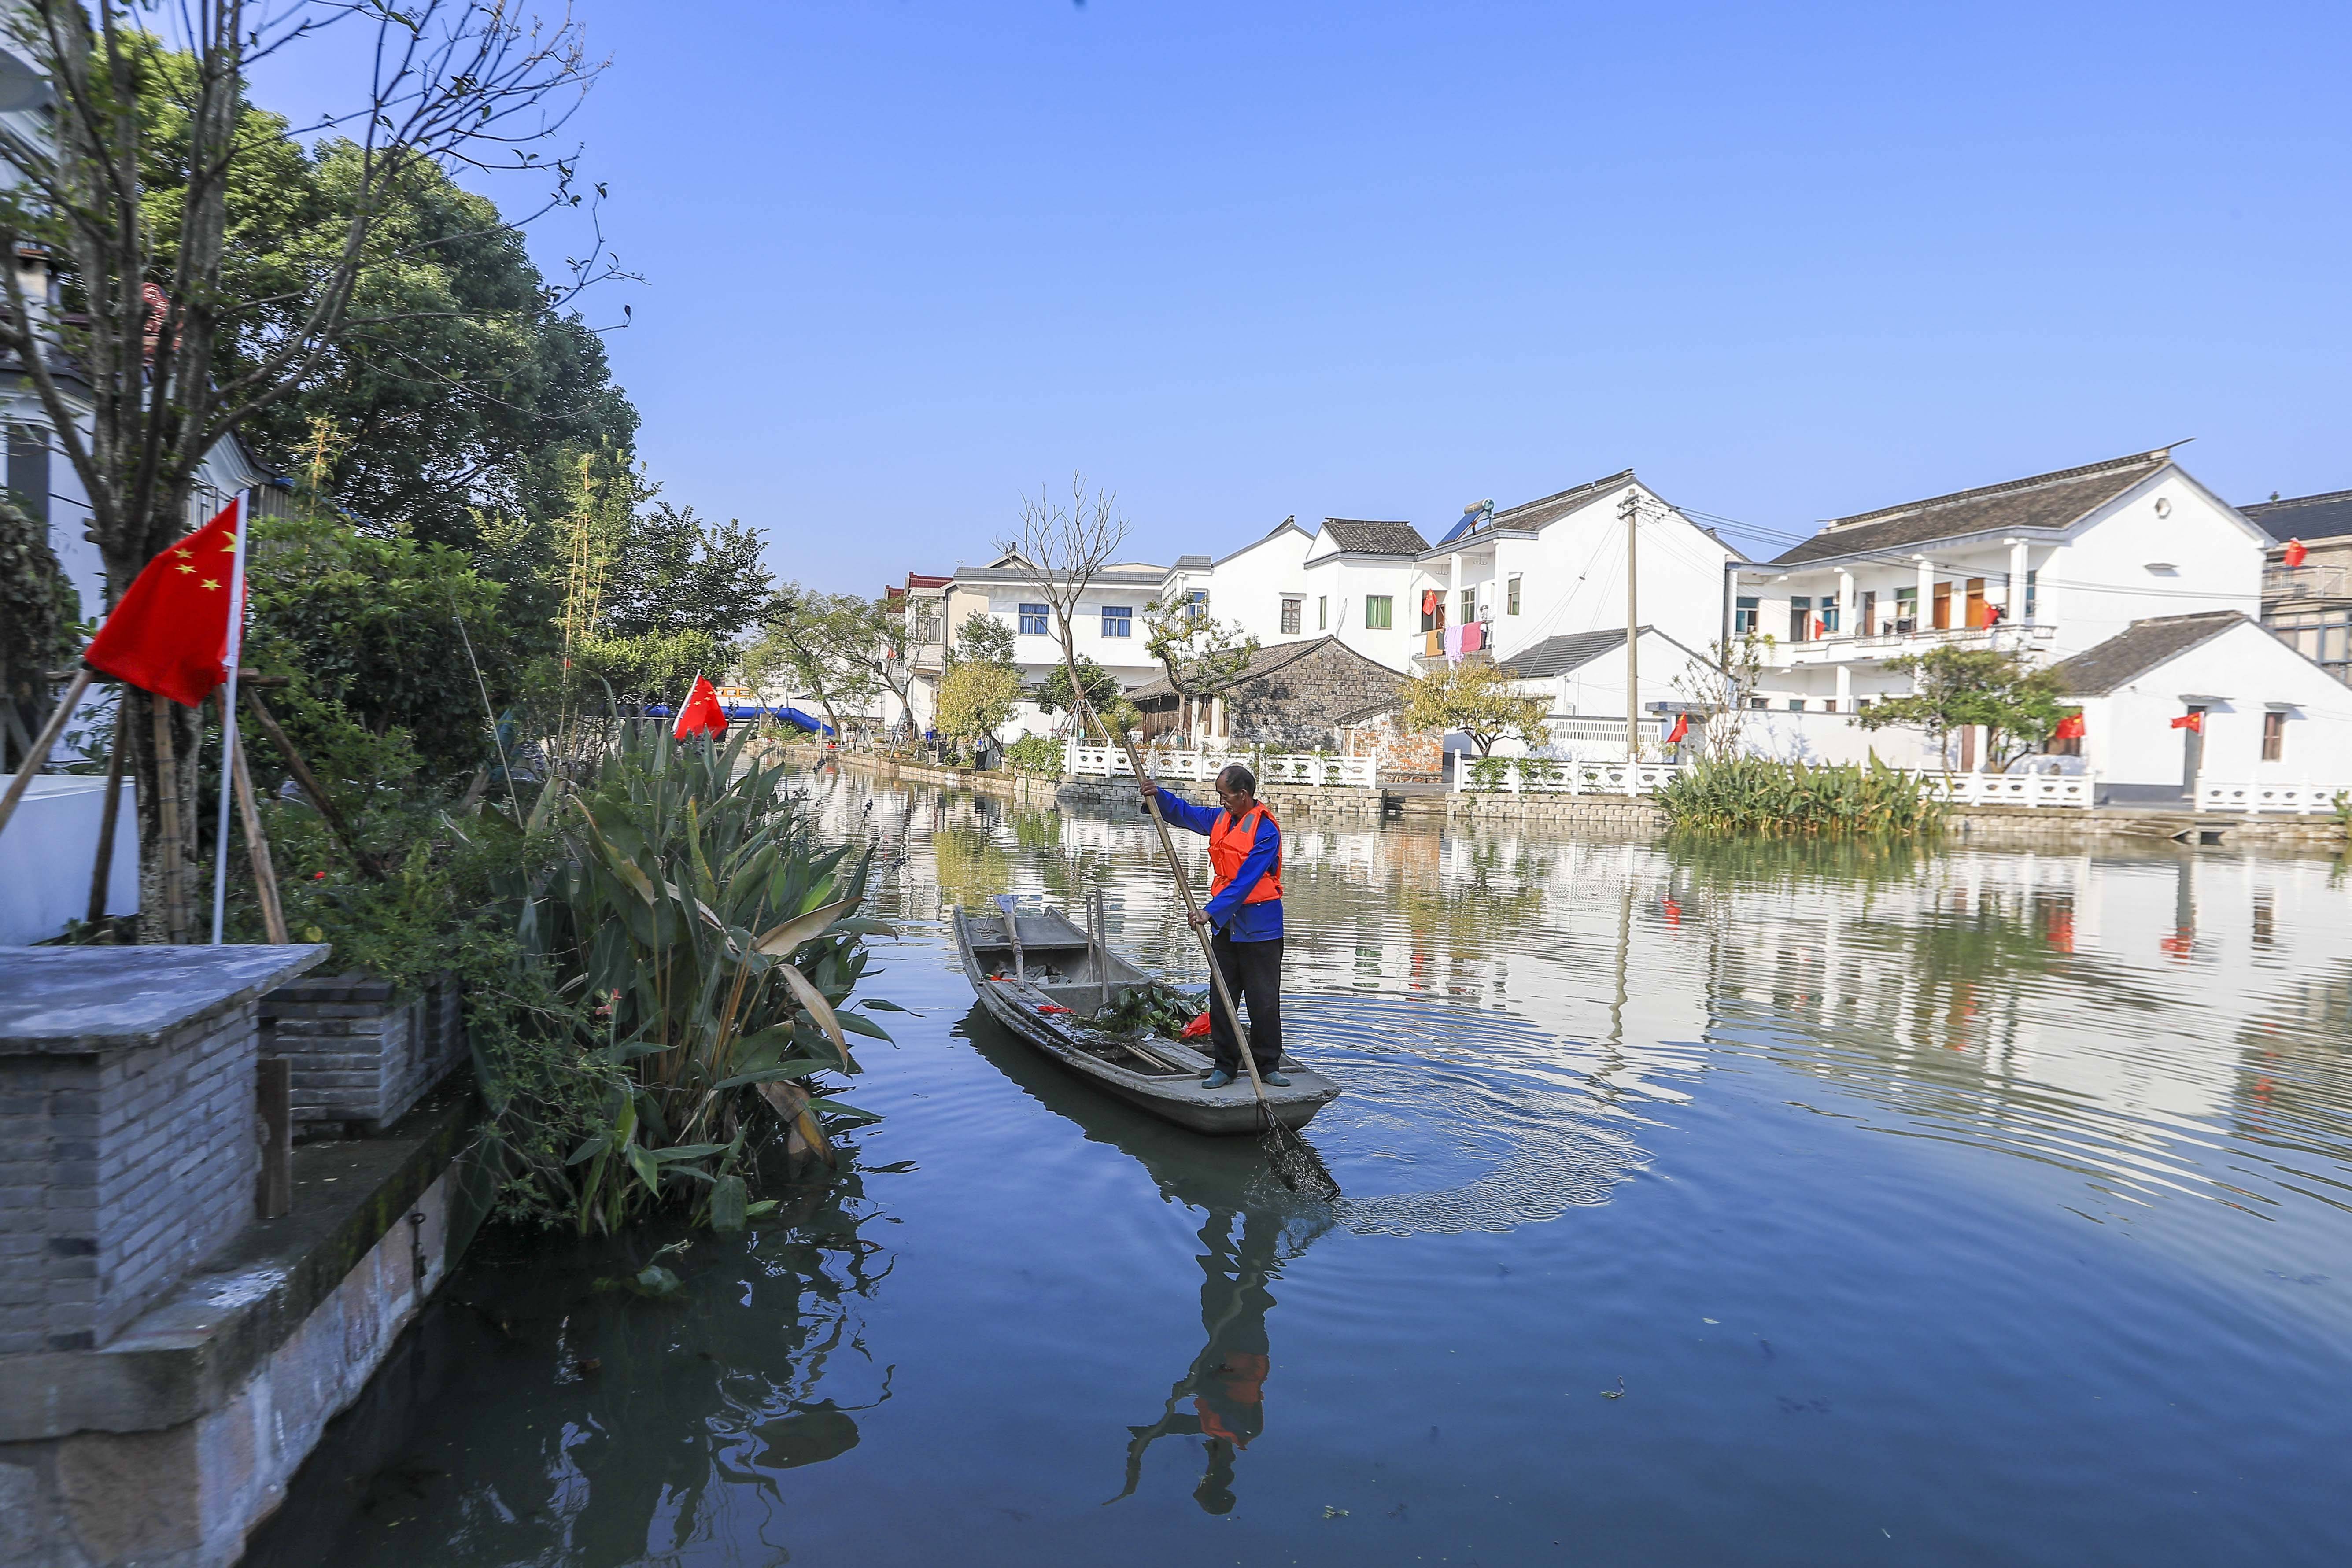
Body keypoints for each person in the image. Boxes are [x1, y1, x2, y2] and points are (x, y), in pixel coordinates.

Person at [1138, 763, 1288, 1090]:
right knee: (1222, 999)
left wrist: (1209, 912)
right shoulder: (1220, 819)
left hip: (1260, 927)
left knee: (1263, 1002)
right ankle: (1225, 1066)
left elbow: (1246, 882)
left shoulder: (1266, 832)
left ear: (1243, 794)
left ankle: (1268, 1065)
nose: (1222, 801)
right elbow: (1186, 813)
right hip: (1227, 928)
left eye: (1225, 795)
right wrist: (1158, 795)